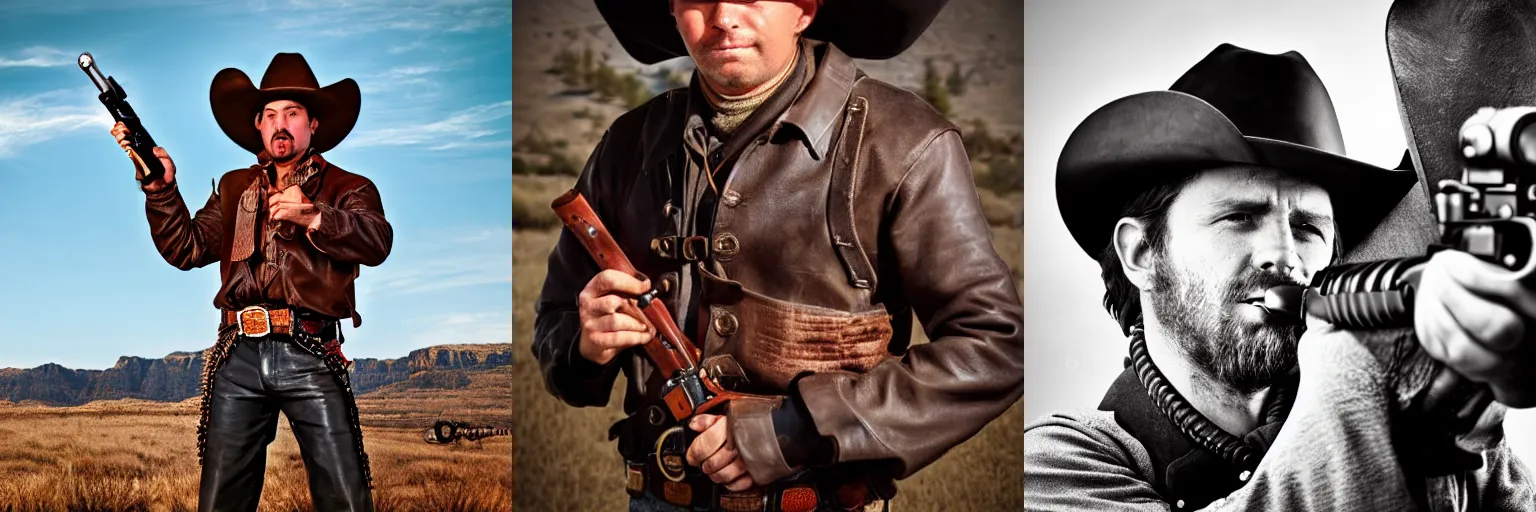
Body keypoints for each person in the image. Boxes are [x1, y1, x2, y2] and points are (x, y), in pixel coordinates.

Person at [533, 0, 1023, 510]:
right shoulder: (627, 145)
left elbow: (994, 346)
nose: (723, 16)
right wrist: (585, 343)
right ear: (673, 11)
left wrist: (785, 434)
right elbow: (554, 326)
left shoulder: (906, 142)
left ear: (805, 9)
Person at [1024, 43, 1536, 511]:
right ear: (1141, 254)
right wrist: (1358, 369)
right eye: (1239, 218)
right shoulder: (1057, 466)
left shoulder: (1423, 410)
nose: (1285, 256)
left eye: (1308, 227)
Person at [110, 52, 391, 512]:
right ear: (259, 125)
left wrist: (317, 216)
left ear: (313, 125)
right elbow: (188, 248)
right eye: (271, 115)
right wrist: (161, 189)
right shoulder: (236, 187)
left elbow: (378, 241)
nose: (281, 125)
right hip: (238, 353)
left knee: (345, 497)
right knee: (222, 500)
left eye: (293, 114)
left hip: (312, 352)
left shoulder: (348, 187)